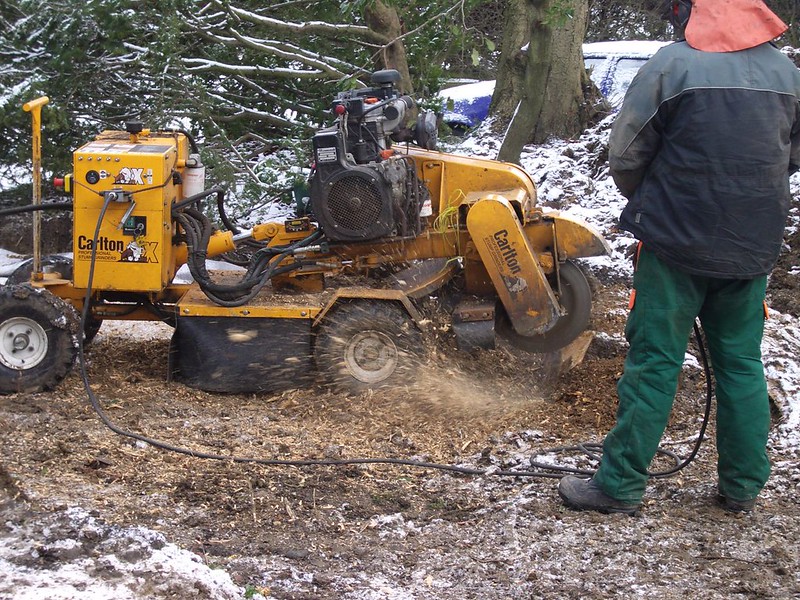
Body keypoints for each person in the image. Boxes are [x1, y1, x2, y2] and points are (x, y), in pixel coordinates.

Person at [558, 0, 800, 515]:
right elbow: (793, 155)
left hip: (673, 246)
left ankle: (619, 486)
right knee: (740, 364)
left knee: (654, 363)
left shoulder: (672, 65)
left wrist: (656, 197)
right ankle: (742, 486)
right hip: (751, 248)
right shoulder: (787, 73)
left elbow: (626, 156)